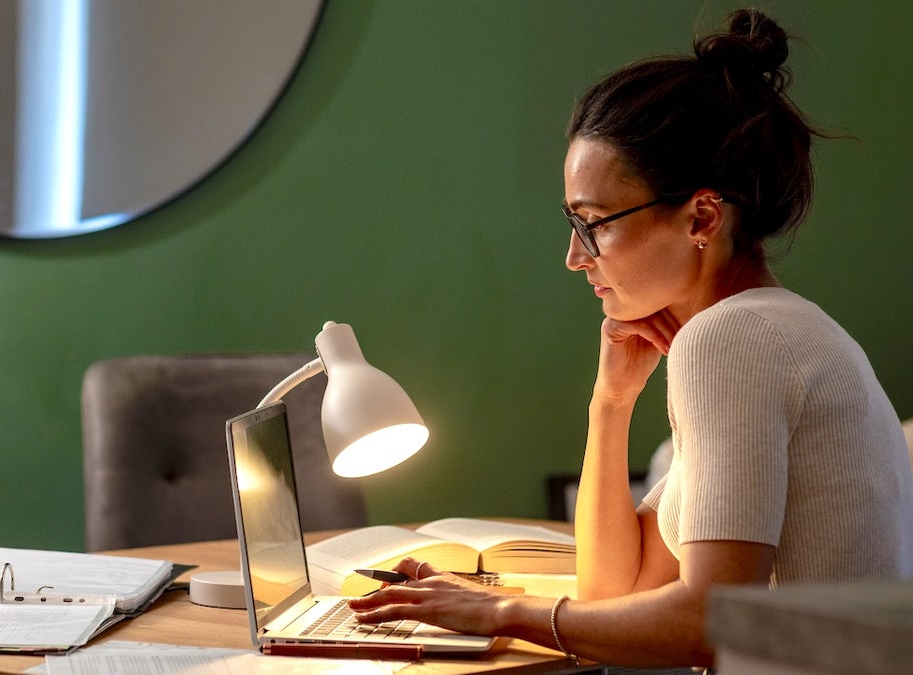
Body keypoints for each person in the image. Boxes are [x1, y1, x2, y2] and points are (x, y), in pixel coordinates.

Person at [349, 8, 913, 669]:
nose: (574, 255)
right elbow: (615, 589)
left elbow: (712, 621)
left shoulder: (733, 340)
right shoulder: (776, 327)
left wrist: (500, 611)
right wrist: (610, 404)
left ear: (702, 214)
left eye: (594, 224)